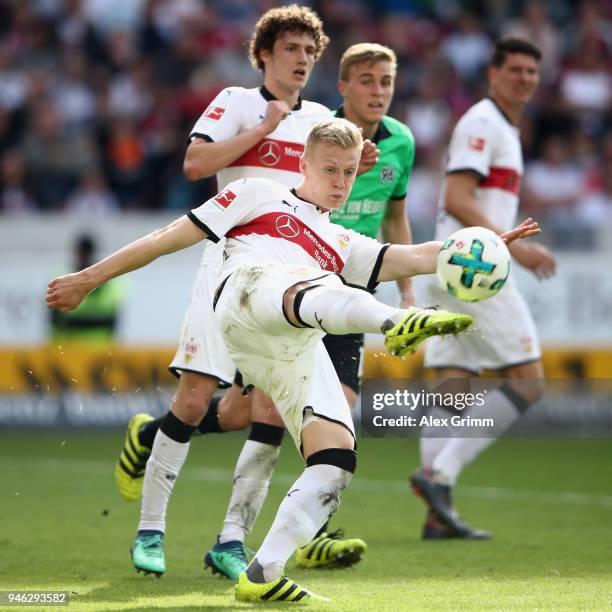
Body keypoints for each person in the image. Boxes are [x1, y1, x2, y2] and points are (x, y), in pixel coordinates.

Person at [46, 118, 539, 602]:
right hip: (244, 296)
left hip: (290, 339)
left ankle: (264, 571)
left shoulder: (342, 241)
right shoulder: (259, 194)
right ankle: (393, 323)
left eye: (349, 172)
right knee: (319, 283)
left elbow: (411, 256)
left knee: (337, 457)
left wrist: (484, 245)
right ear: (303, 164)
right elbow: (166, 238)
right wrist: (88, 279)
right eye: (330, 170)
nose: (341, 182)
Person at [110, 5, 377, 577]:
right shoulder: (235, 101)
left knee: (266, 412)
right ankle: (151, 533)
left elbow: (332, 187)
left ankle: (230, 540)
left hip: (290, 278)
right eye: (291, 50)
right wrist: (263, 129)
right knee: (191, 399)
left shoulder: (322, 121)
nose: (303, 60)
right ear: (264, 55)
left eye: (310, 51)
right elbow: (194, 163)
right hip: (229, 265)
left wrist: (359, 159)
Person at [412, 38, 557, 540]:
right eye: (514, 69)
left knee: (452, 386)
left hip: (452, 262)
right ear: (492, 72)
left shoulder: (504, 128)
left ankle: (437, 515)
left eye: (531, 71)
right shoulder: (482, 122)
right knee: (529, 380)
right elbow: (456, 195)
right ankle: (439, 475)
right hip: (475, 265)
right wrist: (512, 246)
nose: (524, 78)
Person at [49, 233, 125, 345]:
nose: (83, 257)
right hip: (71, 349)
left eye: (84, 253)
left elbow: (113, 319)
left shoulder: (108, 282)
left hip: (98, 349)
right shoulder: (62, 278)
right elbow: (54, 321)